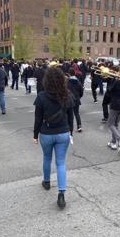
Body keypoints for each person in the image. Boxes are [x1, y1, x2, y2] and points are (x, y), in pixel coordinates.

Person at [33, 67, 74, 209]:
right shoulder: (67, 95)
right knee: (61, 163)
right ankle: (61, 193)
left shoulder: (41, 96)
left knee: (47, 158)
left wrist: (35, 135)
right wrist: (71, 131)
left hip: (46, 132)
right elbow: (71, 116)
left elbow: (37, 119)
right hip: (63, 132)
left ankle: (46, 181)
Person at [67, 68, 84, 132]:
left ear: (69, 74)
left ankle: (69, 127)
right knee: (77, 113)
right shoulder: (78, 81)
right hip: (76, 98)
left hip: (69, 99)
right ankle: (79, 126)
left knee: (68, 114)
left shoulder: (67, 81)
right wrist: (79, 96)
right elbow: (81, 91)